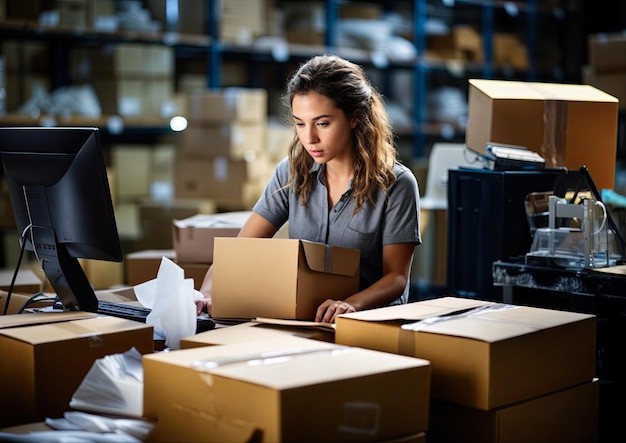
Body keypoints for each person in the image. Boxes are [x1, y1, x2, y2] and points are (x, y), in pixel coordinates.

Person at [197, 54, 421, 323]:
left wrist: (350, 305)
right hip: (306, 318)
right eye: (300, 124)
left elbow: (396, 277)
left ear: (355, 118)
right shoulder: (292, 172)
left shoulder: (397, 184)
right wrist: (207, 293)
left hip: (370, 322)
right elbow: (241, 249)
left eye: (323, 123)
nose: (309, 138)